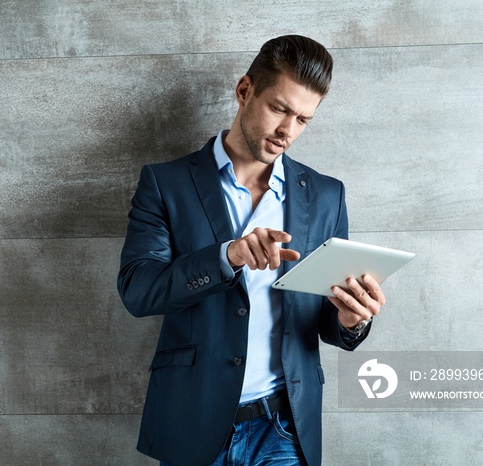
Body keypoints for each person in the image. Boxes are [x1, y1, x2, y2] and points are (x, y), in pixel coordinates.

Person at [117, 35, 386, 466]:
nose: (287, 131)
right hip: (194, 420)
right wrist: (228, 256)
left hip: (284, 425)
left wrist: (350, 320)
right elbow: (137, 291)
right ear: (245, 91)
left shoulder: (326, 195)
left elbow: (324, 322)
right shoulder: (165, 184)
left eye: (302, 119)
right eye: (279, 109)